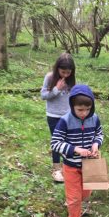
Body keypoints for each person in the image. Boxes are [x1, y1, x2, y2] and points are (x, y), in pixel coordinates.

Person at [51, 84, 104, 217]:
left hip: (90, 165)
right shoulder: (65, 121)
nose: (84, 113)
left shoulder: (94, 119)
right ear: (72, 106)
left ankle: (76, 206)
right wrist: (75, 150)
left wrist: (96, 144)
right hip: (71, 166)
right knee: (74, 196)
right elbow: (55, 143)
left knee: (86, 193)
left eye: (87, 109)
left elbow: (99, 133)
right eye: (80, 110)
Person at [41, 53, 76, 182]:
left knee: (69, 140)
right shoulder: (50, 77)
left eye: (68, 72)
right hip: (53, 115)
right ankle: (56, 169)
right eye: (63, 72)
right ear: (57, 69)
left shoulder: (71, 79)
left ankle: (68, 166)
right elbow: (43, 95)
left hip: (68, 116)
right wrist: (56, 89)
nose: (65, 75)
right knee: (57, 141)